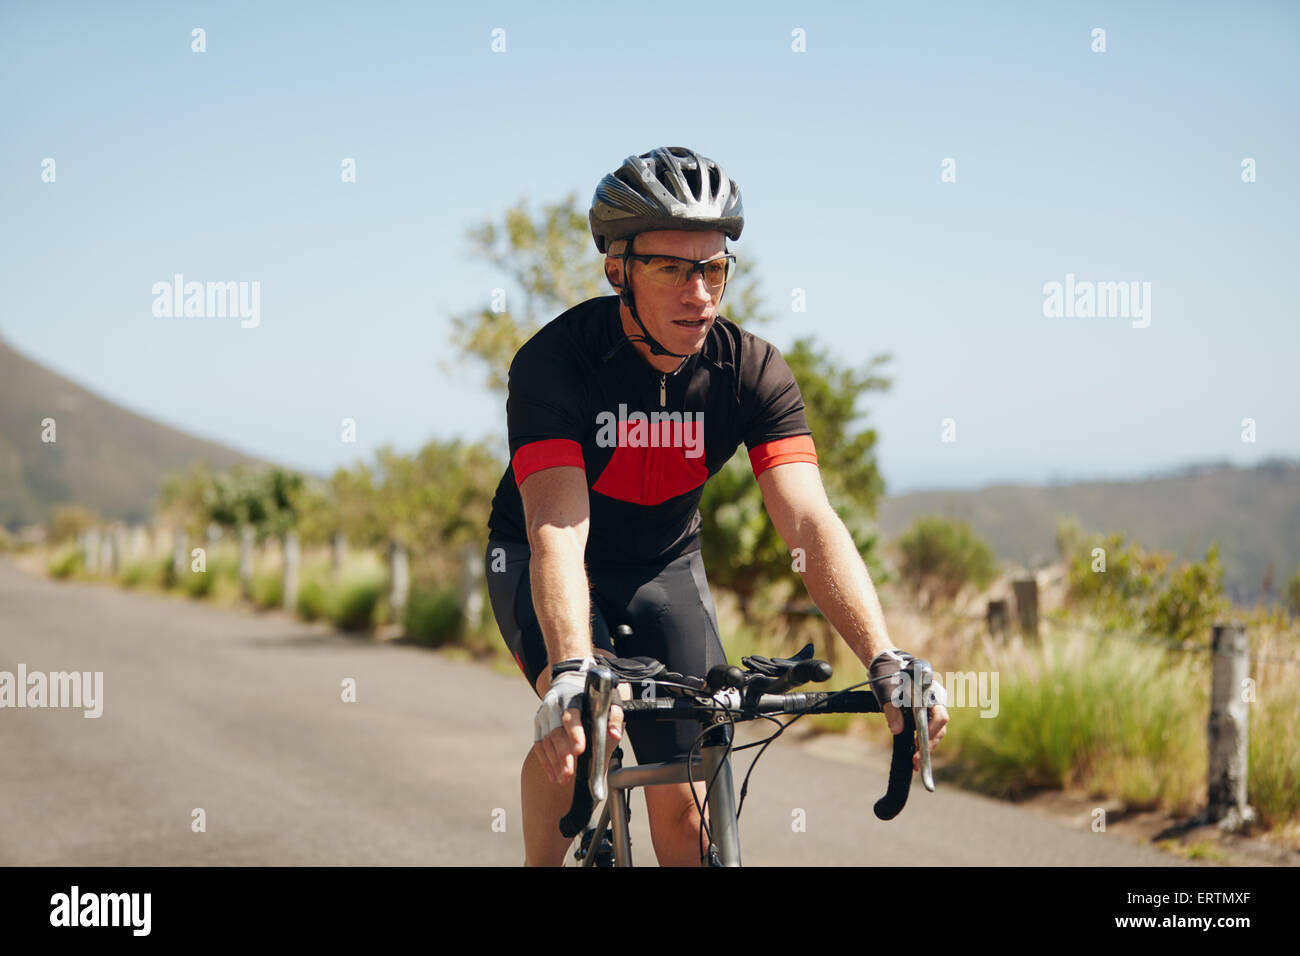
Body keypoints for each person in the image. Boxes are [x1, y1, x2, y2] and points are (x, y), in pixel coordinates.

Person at [485, 146, 948, 867]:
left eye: (713, 268)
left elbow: (809, 523)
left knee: (692, 786)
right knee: (580, 738)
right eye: (673, 268)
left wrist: (882, 655)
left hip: (665, 566)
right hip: (545, 557)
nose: (699, 293)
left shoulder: (750, 372)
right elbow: (558, 530)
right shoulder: (556, 363)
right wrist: (573, 669)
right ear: (618, 271)